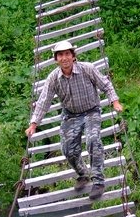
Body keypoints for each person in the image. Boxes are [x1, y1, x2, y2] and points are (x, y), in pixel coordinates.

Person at [25, 40, 124, 200]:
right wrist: (34, 124)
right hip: (70, 115)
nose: (64, 58)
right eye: (60, 55)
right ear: (56, 59)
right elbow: (44, 101)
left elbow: (106, 84)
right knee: (67, 149)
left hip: (91, 111)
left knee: (93, 141)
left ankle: (98, 181)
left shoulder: (87, 69)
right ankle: (83, 174)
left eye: (67, 54)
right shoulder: (53, 78)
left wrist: (115, 102)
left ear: (73, 56)